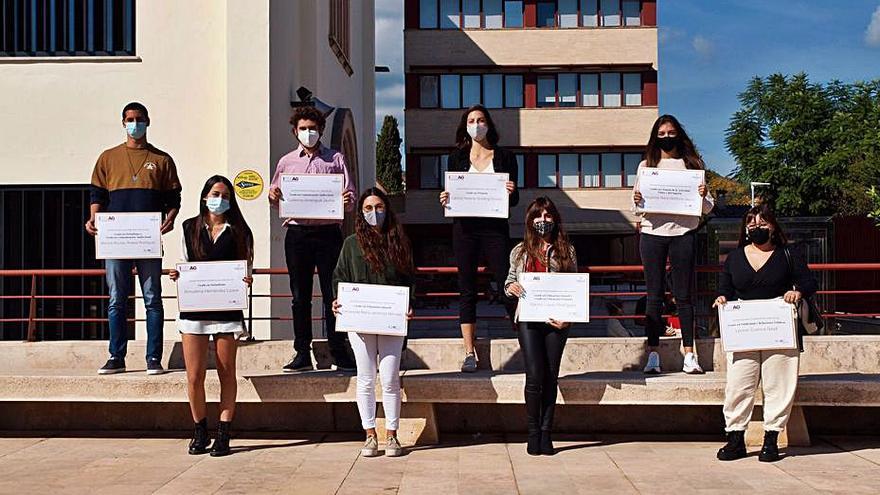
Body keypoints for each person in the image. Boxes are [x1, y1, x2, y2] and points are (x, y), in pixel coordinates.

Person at [713, 204, 817, 463]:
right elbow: (725, 287)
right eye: (751, 224)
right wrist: (722, 298)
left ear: (773, 227)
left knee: (779, 384)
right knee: (739, 384)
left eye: (762, 223)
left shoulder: (788, 254)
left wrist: (798, 292)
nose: (756, 228)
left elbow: (808, 282)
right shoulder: (735, 257)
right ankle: (735, 438)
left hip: (780, 329)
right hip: (744, 330)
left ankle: (771, 438)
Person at [86, 102, 181, 375]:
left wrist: (170, 218)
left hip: (147, 239)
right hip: (115, 240)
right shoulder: (108, 157)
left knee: (152, 298)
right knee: (116, 298)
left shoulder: (162, 159)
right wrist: (94, 218)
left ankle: (154, 358)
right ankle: (116, 356)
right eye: (130, 119)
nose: (135, 123)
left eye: (139, 119)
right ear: (123, 122)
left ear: (148, 121)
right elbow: (97, 195)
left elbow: (173, 198)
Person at [169, 176, 253, 457]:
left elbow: (246, 267)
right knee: (194, 375)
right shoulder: (188, 227)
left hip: (227, 311)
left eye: (226, 195)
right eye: (215, 193)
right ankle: (200, 429)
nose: (220, 199)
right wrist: (177, 275)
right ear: (205, 196)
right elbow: (184, 263)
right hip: (195, 309)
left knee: (227, 372)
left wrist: (246, 280)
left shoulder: (240, 230)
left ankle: (224, 432)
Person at [268, 106, 357, 372]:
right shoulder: (286, 162)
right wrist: (273, 197)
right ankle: (302, 353)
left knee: (334, 294)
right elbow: (276, 194)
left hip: (329, 233)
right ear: (295, 131)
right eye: (303, 129)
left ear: (321, 130)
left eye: (313, 129)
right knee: (299, 296)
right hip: (297, 234)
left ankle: (338, 349)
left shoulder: (336, 159)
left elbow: (350, 195)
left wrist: (347, 199)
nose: (308, 133)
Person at [332, 188, 415, 458]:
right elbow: (339, 278)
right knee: (365, 378)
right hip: (360, 322)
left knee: (390, 378)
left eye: (378, 207)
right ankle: (370, 435)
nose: (374, 213)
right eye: (367, 208)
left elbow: (409, 279)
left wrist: (409, 305)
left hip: (391, 320)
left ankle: (392, 435)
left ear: (387, 209)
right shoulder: (351, 244)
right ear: (360, 213)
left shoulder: (399, 240)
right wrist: (337, 301)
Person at [439, 104, 519, 373]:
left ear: (489, 124)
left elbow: (515, 200)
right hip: (464, 229)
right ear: (465, 126)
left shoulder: (505, 156)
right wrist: (446, 198)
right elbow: (452, 191)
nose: (476, 124)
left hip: (495, 228)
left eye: (481, 120)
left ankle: (525, 340)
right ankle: (468, 352)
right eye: (471, 120)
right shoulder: (456, 157)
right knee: (467, 289)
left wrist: (511, 190)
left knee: (507, 282)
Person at [632, 114, 714, 374]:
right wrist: (636, 198)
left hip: (683, 233)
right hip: (652, 233)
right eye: (662, 133)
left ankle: (690, 354)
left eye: (671, 132)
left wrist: (702, 196)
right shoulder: (646, 165)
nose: (667, 137)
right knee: (654, 296)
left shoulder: (693, 165)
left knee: (684, 296)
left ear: (679, 133)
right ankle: (653, 354)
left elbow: (708, 207)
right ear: (655, 137)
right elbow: (636, 207)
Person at [504, 197, 578, 456]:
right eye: (538, 216)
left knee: (550, 375)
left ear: (555, 220)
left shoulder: (566, 250)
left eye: (548, 216)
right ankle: (532, 432)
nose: (543, 221)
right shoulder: (519, 251)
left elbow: (575, 287)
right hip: (529, 318)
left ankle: (547, 433)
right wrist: (510, 288)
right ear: (530, 219)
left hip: (558, 322)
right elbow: (509, 281)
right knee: (534, 375)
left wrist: (569, 317)